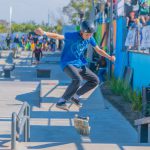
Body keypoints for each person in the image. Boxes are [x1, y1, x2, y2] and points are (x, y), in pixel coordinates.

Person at [34, 20, 115, 110]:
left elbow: (98, 50)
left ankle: (75, 96)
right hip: (67, 63)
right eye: (87, 35)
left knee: (95, 80)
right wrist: (44, 33)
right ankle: (61, 101)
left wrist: (109, 57)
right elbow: (57, 36)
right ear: (81, 32)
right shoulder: (72, 36)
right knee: (77, 79)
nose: (89, 37)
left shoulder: (90, 38)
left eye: (90, 35)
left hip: (79, 64)